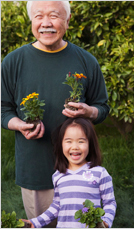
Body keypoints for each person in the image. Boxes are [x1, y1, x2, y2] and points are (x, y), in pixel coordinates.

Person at [1, 1, 110, 226]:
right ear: (32, 21)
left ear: (67, 21)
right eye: (39, 16)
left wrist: (89, 111)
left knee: (80, 223)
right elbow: (2, 109)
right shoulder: (13, 62)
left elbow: (102, 107)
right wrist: (18, 124)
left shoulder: (86, 61)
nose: (46, 23)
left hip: (80, 172)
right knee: (42, 223)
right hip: (36, 169)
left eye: (54, 16)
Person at [24, 118, 117, 228]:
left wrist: (105, 222)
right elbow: (56, 206)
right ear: (61, 144)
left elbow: (109, 202)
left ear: (90, 144)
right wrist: (34, 223)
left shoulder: (100, 173)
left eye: (81, 141)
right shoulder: (58, 176)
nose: (75, 147)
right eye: (68, 141)